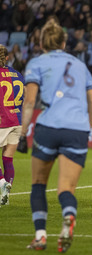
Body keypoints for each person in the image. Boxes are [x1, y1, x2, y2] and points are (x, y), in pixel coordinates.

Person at [18, 20, 92, 252]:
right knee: (66, 188)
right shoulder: (80, 65)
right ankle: (68, 215)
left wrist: (23, 132)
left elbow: (30, 101)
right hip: (77, 131)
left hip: (48, 127)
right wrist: (86, 126)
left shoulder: (36, 62)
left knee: (39, 185)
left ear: (41, 42)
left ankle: (41, 236)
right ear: (64, 42)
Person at [0, 44, 25, 206]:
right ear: (7, 57)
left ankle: (2, 182)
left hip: (2, 121)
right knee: (8, 159)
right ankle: (5, 196)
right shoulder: (18, 75)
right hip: (17, 120)